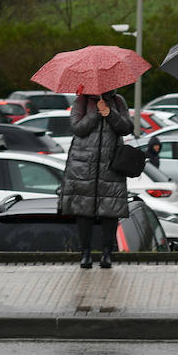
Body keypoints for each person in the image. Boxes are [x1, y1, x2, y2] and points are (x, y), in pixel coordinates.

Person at [59, 90, 133, 269]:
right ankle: (85, 254)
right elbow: (77, 128)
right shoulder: (81, 101)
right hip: (84, 165)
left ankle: (107, 254)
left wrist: (110, 113)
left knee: (111, 210)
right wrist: (96, 114)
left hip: (111, 165)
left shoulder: (118, 100)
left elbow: (127, 128)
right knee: (84, 210)